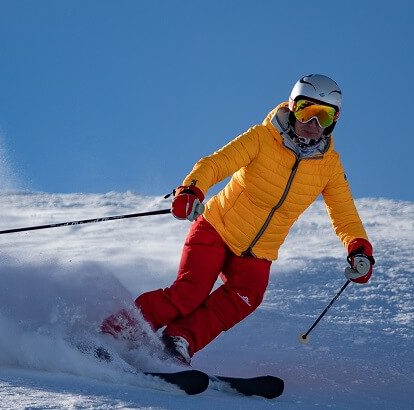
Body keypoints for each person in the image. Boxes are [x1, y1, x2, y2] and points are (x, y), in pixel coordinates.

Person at [101, 74, 375, 365]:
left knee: (246, 297)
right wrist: (191, 190)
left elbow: (344, 212)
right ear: (293, 107)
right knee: (189, 292)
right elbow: (216, 163)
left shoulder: (329, 166)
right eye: (307, 111)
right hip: (217, 229)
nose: (313, 124)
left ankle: (178, 340)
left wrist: (359, 249)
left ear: (334, 120)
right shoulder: (262, 138)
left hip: (259, 253)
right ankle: (116, 331)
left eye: (324, 115)